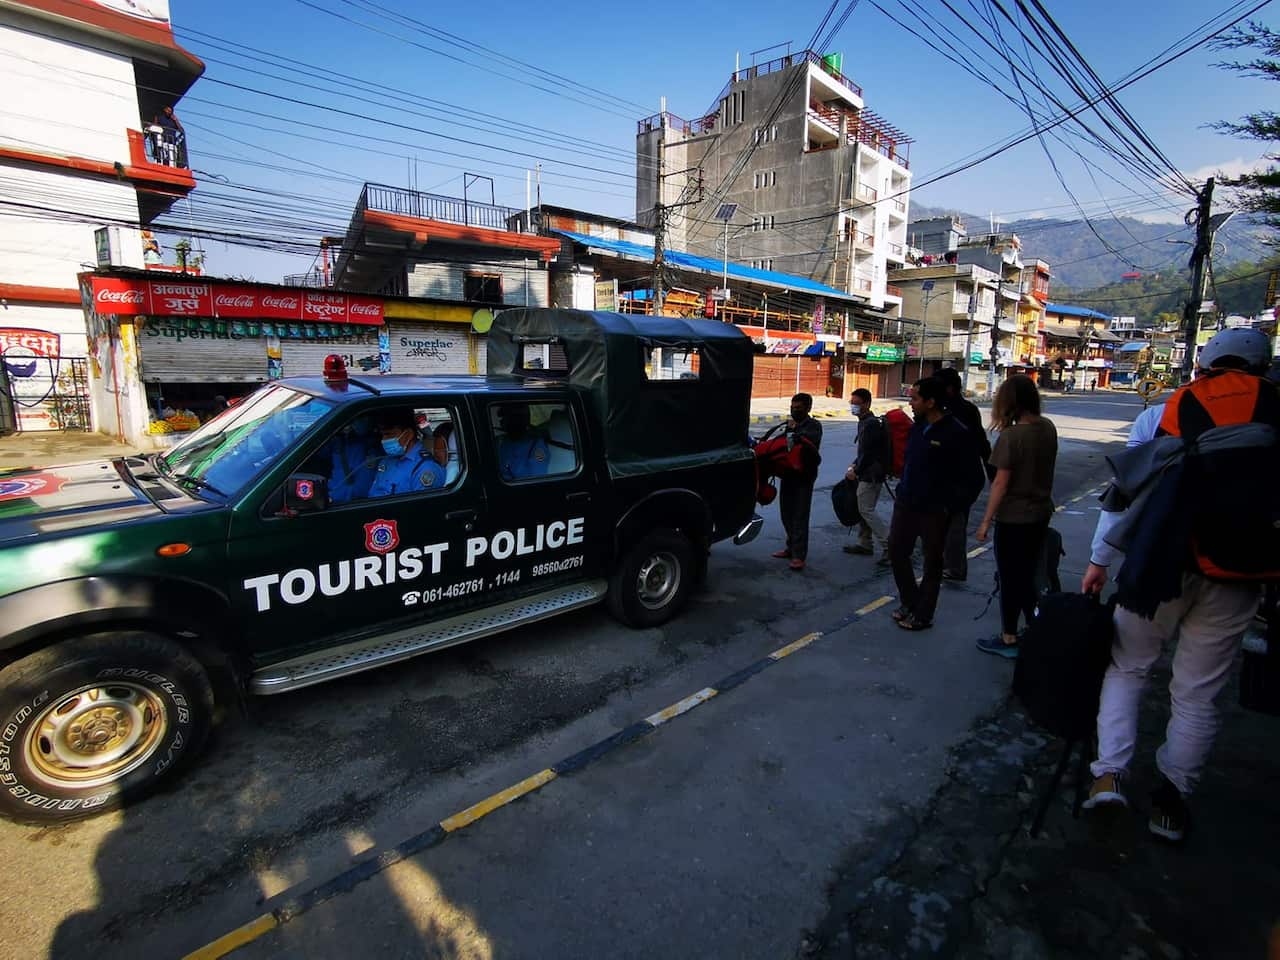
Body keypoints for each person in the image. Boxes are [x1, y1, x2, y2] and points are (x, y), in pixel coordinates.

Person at [1081, 328, 1278, 842]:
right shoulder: (1275, 409)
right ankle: (1170, 803)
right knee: (1197, 694)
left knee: (1127, 667)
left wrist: (1100, 559)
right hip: (1239, 574)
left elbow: (1129, 491)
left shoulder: (1171, 409)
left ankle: (1109, 775)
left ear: (1205, 364)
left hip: (1161, 564)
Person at [973, 375, 1058, 658]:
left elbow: (1000, 483)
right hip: (1040, 512)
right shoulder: (1047, 427)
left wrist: (986, 521)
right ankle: (1036, 628)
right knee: (1029, 573)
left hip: (1015, 518)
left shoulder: (1011, 437)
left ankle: (1009, 637)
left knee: (1011, 578)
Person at [888, 378, 983, 631]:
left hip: (935, 510)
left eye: (915, 398)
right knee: (896, 551)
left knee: (932, 562)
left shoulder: (956, 433)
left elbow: (974, 479)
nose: (910, 403)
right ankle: (910, 601)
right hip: (906, 502)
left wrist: (950, 507)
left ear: (931, 402)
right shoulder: (918, 427)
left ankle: (923, 614)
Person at [936, 367, 992, 582]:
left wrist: (993, 475)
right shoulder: (956, 409)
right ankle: (948, 564)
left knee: (955, 522)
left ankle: (955, 568)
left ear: (950, 389)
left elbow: (980, 444)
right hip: (958, 477)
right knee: (946, 522)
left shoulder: (955, 412)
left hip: (961, 478)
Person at [772, 392, 823, 572]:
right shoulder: (790, 425)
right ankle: (790, 547)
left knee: (800, 515)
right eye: (792, 407)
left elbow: (804, 442)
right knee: (786, 513)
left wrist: (793, 430)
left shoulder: (814, 426)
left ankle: (798, 555)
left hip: (804, 477)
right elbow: (781, 444)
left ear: (808, 408)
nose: (794, 411)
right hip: (788, 474)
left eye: (798, 408)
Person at [842, 388, 890, 563]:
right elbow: (864, 451)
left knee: (866, 509)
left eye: (857, 403)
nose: (853, 406)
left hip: (871, 474)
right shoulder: (864, 421)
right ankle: (865, 543)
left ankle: (889, 546)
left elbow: (869, 453)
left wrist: (856, 470)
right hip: (868, 471)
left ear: (867, 404)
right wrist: (855, 464)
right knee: (863, 508)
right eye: (852, 403)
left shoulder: (870, 424)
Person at [368, 408, 445, 498]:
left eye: (389, 434)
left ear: (408, 434)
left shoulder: (426, 468)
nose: (383, 440)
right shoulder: (387, 460)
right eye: (383, 435)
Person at [328, 414, 380, 503]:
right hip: (334, 499)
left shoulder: (374, 447)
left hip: (355, 503)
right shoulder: (338, 442)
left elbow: (361, 490)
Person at [495, 404, 549, 481]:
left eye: (506, 418)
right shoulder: (500, 441)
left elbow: (536, 480)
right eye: (503, 418)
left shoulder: (536, 446)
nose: (502, 422)